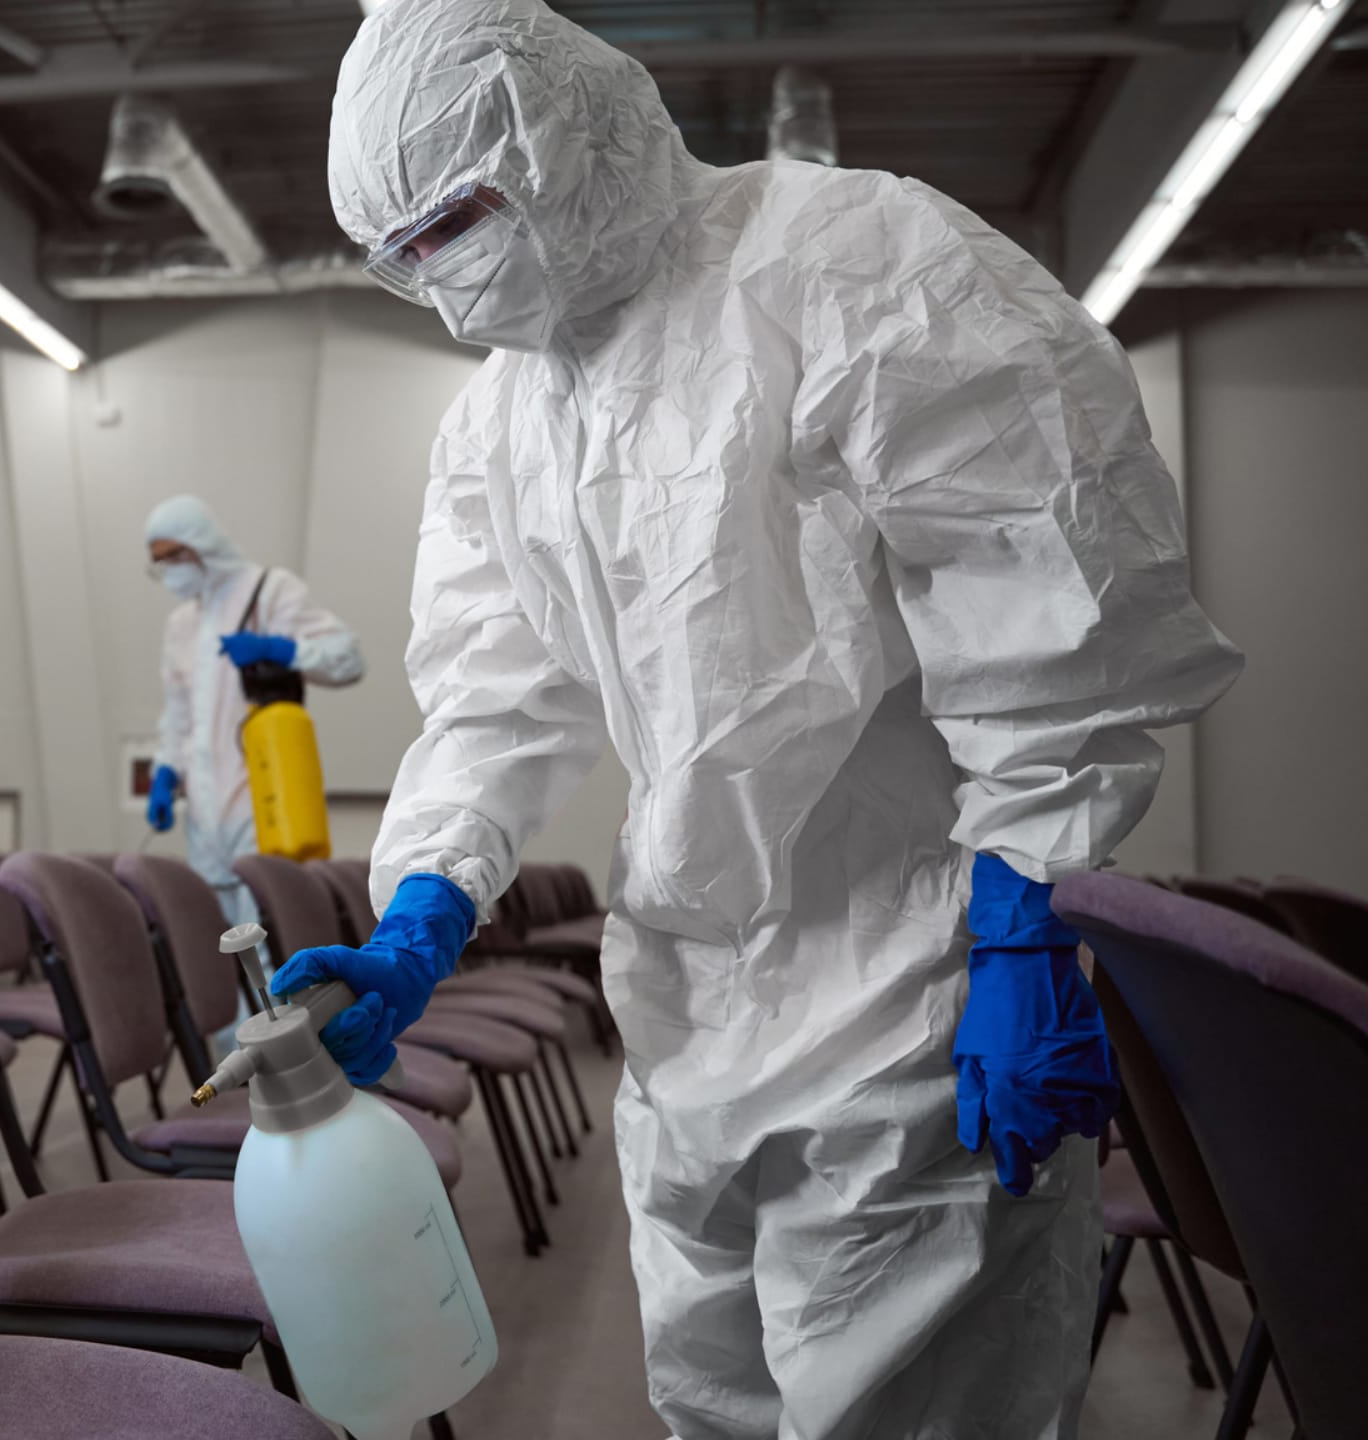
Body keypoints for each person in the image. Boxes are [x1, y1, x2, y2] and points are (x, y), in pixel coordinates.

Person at [269, 2, 1245, 1437]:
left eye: (455, 223)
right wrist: (424, 911)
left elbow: (1051, 596)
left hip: (911, 988)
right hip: (682, 1014)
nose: (440, 280)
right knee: (706, 1400)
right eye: (400, 253)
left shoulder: (855, 265)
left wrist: (1026, 916)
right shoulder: (501, 423)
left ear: (563, 143)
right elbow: (491, 695)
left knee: (905, 1415)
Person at [144, 495, 364, 927]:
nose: (170, 570)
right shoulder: (181, 626)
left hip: (263, 796)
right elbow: (178, 715)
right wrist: (166, 771)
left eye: (174, 556)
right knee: (221, 945)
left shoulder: (269, 592)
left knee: (267, 936)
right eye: (159, 563)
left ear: (200, 544)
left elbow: (348, 658)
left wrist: (281, 649)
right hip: (205, 812)